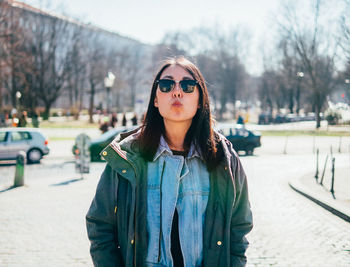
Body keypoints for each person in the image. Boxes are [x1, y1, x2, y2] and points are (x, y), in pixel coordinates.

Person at [86, 57, 253, 267]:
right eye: (166, 85)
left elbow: (239, 227)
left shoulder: (223, 158)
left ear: (200, 99)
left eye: (187, 85)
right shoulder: (129, 155)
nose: (176, 92)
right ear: (155, 99)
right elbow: (99, 224)